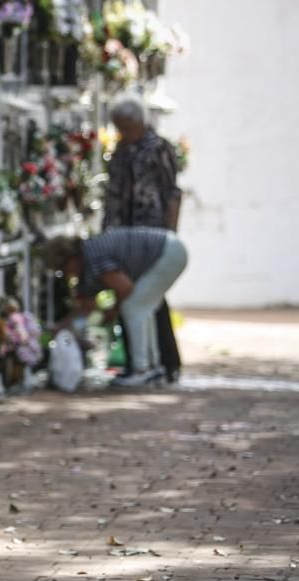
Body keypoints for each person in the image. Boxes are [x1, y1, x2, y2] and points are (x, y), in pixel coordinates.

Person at [102, 96, 183, 382]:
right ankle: (138, 361)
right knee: (127, 296)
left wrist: (170, 231)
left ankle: (166, 361)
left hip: (151, 234)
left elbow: (172, 192)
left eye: (126, 126)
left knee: (151, 298)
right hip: (123, 237)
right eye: (119, 127)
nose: (123, 131)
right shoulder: (120, 151)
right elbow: (112, 193)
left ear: (138, 123)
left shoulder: (159, 148)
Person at [45, 227, 188, 387]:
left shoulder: (93, 257)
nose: (66, 274)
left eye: (63, 269)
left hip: (168, 253)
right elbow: (85, 307)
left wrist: (113, 310)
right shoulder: (87, 263)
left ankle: (142, 370)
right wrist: (61, 326)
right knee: (141, 308)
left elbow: (125, 288)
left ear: (70, 258)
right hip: (170, 249)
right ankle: (152, 367)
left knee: (132, 306)